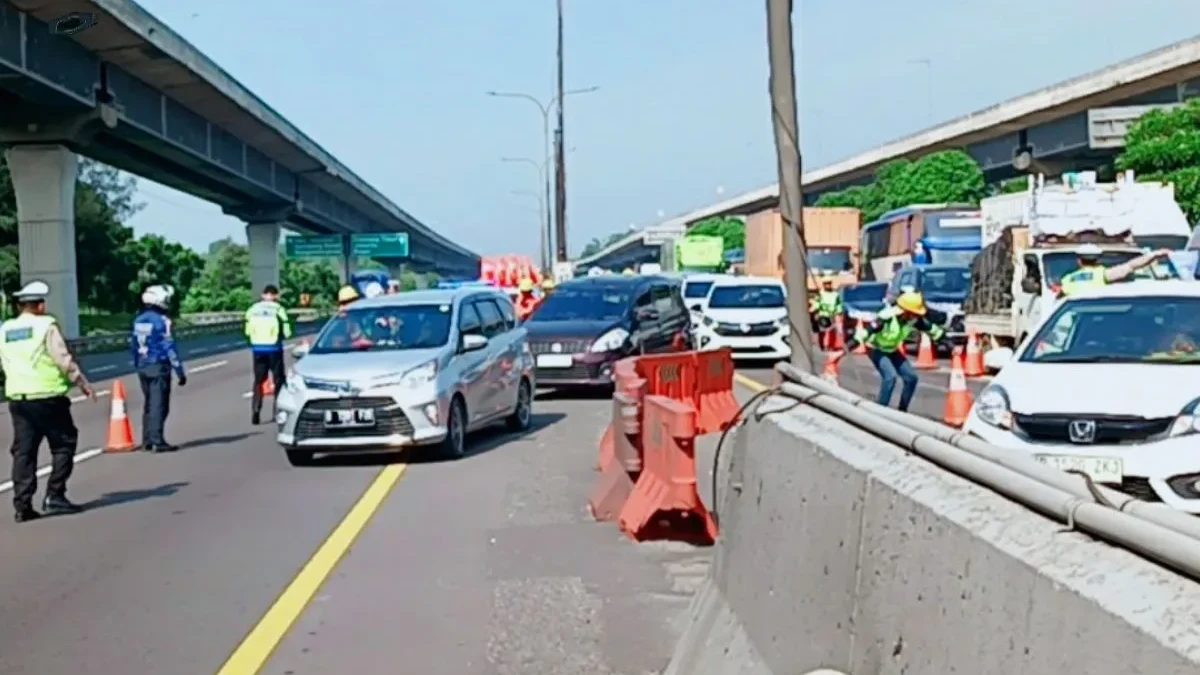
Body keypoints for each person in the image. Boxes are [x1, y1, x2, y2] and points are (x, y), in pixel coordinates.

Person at [0, 281, 95, 522]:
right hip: (48, 397)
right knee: (64, 443)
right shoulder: (46, 325)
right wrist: (81, 382)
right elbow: (62, 359)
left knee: (24, 452)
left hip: (18, 399)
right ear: (40, 305)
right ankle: (55, 495)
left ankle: (22, 505)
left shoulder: (6, 329)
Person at [834, 290, 947, 412]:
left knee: (911, 378)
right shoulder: (886, 317)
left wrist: (950, 343)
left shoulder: (913, 320)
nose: (917, 316)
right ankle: (880, 411)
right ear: (905, 311)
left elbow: (934, 331)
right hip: (875, 348)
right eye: (914, 313)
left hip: (891, 349)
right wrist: (843, 351)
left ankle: (902, 411)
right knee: (890, 377)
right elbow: (865, 333)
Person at [130, 284, 187, 452]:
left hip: (142, 364)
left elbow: (133, 345)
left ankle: (147, 439)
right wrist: (180, 371)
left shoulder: (138, 319)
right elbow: (169, 345)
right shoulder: (162, 321)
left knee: (149, 403)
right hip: (158, 364)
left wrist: (138, 363)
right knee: (159, 404)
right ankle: (157, 440)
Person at [244, 284, 292, 425]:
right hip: (274, 349)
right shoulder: (279, 309)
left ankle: (256, 410)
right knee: (278, 380)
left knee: (259, 380)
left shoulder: (252, 310)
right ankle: (277, 411)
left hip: (258, 349)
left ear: (263, 295)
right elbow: (288, 332)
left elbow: (247, 332)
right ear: (276, 296)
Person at [1058, 243, 1171, 297]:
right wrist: (1154, 254)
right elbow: (1131, 266)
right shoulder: (1102, 274)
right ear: (1097, 260)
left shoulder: (1067, 280)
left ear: (1079, 261)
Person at [809, 277, 842, 343]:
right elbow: (816, 304)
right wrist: (811, 311)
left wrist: (838, 313)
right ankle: (820, 344)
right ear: (823, 285)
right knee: (820, 329)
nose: (828, 285)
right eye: (826, 284)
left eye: (829, 283)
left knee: (833, 331)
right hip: (822, 316)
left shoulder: (835, 294)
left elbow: (838, 306)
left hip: (832, 316)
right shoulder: (820, 294)